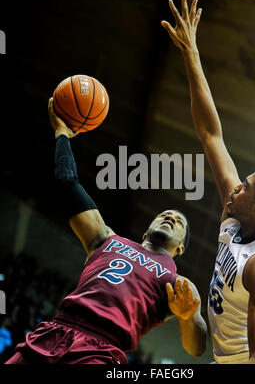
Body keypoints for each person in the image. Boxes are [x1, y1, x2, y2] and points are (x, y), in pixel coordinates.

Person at [5, 98, 207, 364]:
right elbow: (68, 184)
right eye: (164, 214)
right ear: (145, 232)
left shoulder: (179, 286)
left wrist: (188, 317)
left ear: (180, 249)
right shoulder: (106, 238)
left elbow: (197, 348)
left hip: (101, 352)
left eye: (178, 221)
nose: (170, 217)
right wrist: (62, 133)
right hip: (54, 331)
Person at [162, 0, 255, 364]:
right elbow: (211, 135)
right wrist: (191, 52)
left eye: (245, 186)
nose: (234, 186)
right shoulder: (238, 211)